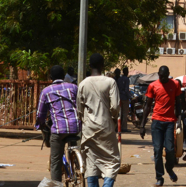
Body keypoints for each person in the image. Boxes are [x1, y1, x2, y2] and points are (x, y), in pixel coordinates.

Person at [78, 53, 121, 187]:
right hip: (106, 126)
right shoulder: (110, 82)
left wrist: (85, 121)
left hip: (89, 128)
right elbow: (115, 106)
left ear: (89, 66)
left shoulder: (83, 84)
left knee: (91, 162)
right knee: (112, 161)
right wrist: (113, 119)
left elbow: (79, 109)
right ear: (103, 66)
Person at [36, 65, 81, 183]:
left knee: (55, 161)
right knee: (72, 135)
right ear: (64, 76)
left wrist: (39, 124)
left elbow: (40, 114)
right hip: (76, 126)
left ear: (51, 77)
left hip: (58, 129)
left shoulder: (46, 91)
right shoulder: (73, 87)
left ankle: (56, 183)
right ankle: (76, 162)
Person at [140, 65, 183, 186]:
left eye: (165, 76)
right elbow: (147, 106)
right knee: (157, 150)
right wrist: (142, 125)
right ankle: (159, 177)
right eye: (161, 76)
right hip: (157, 122)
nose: (163, 78)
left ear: (168, 74)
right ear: (158, 75)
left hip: (170, 121)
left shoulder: (175, 84)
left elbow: (178, 103)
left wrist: (179, 119)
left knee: (170, 150)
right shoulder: (153, 85)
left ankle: (169, 168)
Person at [114, 67, 131, 132]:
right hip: (124, 98)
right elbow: (126, 89)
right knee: (124, 113)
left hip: (118, 97)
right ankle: (124, 127)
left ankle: (117, 127)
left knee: (119, 113)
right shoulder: (126, 79)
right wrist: (129, 97)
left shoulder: (117, 79)